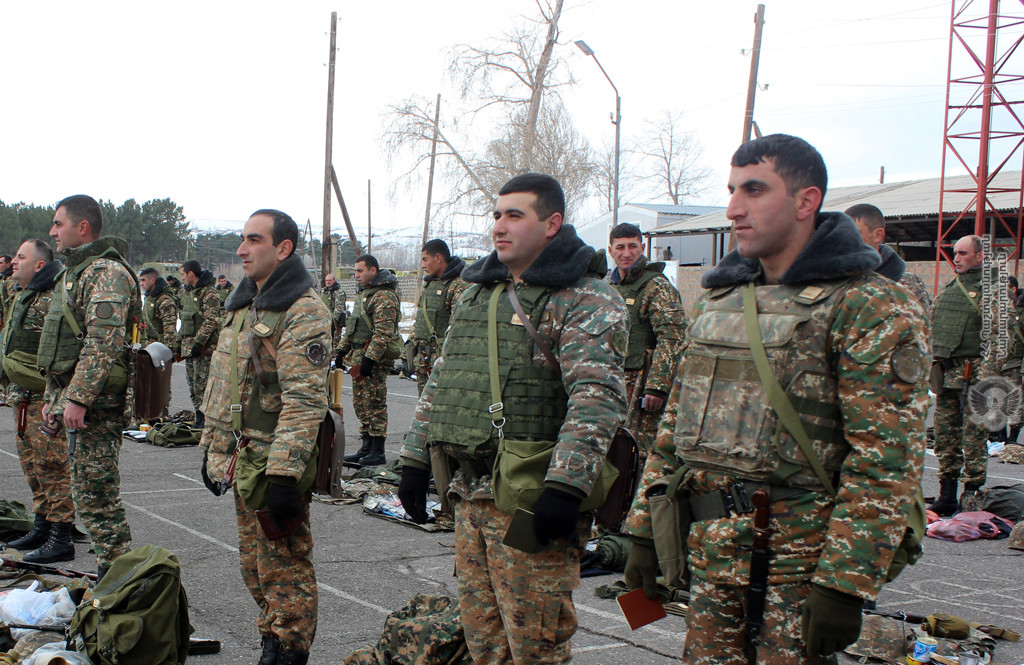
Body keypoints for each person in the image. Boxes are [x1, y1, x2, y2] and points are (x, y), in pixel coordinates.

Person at [622, 135, 929, 663]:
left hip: (801, 564)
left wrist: (843, 584)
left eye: (754, 190)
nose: (733, 208)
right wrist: (645, 530)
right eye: (732, 190)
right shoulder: (720, 301)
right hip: (713, 552)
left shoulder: (869, 303)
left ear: (806, 201)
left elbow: (885, 459)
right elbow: (677, 423)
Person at [397, 173, 628, 664]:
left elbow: (596, 397)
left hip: (530, 497)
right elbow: (443, 378)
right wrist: (414, 460)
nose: (499, 226)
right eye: (497, 215)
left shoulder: (584, 297)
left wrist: (565, 487)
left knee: (535, 647)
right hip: (471, 493)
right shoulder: (479, 293)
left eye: (515, 215)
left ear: (552, 224)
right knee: (484, 643)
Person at [199, 209, 330, 665]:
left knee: (284, 566)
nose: (241, 249)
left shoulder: (303, 309)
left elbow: (305, 399)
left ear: (283, 248)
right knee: (254, 566)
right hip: (241, 456)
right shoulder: (243, 305)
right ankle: (272, 638)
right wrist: (211, 448)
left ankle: (290, 650)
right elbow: (223, 384)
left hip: (273, 461)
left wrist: (283, 476)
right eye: (242, 239)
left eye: (254, 240)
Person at [38, 194, 139, 577]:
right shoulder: (77, 273)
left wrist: (77, 398)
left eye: (58, 223)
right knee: (88, 496)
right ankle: (110, 578)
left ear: (82, 227)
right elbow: (65, 346)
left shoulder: (106, 273)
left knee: (99, 499)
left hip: (98, 404)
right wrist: (55, 399)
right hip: (80, 401)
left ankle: (118, 581)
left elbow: (103, 341)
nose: (52, 231)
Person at [2, 239, 76, 563]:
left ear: (39, 265)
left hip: (43, 399)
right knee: (32, 465)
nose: (13, 262)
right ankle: (42, 525)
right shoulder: (23, 295)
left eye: (21, 257)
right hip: (22, 396)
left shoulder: (53, 300)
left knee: (52, 466)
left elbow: (66, 351)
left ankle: (62, 536)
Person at [929, 235, 995, 515]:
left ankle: (971, 498)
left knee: (974, 439)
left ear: (980, 256)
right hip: (946, 374)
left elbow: (1000, 340)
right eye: (955, 252)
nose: (956, 258)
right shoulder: (950, 288)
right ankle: (946, 496)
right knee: (945, 436)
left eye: (963, 253)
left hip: (974, 374)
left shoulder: (992, 290)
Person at [607, 222, 686, 455]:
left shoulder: (657, 287)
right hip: (610, 382)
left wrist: (657, 387)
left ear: (642, 248)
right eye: (620, 247)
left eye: (632, 246)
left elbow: (672, 337)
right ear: (611, 250)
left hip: (640, 386)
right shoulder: (606, 287)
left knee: (639, 450)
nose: (627, 253)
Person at [335, 255, 399, 467]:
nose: (356, 275)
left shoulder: (384, 296)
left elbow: (383, 332)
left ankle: (377, 451)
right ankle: (366, 447)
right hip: (358, 358)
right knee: (361, 404)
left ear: (373, 270)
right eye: (355, 271)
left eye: (360, 271)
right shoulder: (364, 294)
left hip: (372, 360)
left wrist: (370, 359)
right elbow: (352, 328)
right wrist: (341, 351)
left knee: (375, 404)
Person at [845, 203, 932, 315]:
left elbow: (921, 324)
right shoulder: (836, 282)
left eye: (855, 233)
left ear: (877, 235)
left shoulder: (907, 284)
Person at [412, 239, 467, 395]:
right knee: (423, 405)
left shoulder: (458, 285)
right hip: (424, 360)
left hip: (442, 361)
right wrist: (409, 351)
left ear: (438, 258)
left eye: (425, 259)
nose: (423, 265)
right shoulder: (428, 285)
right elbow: (420, 319)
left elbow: (457, 326)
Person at [179, 260, 221, 428]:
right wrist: (177, 344)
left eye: (183, 274)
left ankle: (207, 420)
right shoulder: (187, 293)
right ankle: (198, 417)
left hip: (204, 349)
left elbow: (211, 320)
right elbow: (184, 320)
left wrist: (199, 343)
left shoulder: (209, 293)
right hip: (189, 348)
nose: (182, 278)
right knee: (192, 386)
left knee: (203, 386)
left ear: (191, 274)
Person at [139, 268, 179, 350]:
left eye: (143, 280)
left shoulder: (164, 299)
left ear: (152, 280)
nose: (141, 283)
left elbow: (170, 327)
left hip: (159, 346)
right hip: (148, 344)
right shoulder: (149, 297)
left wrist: (168, 349)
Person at [320, 272, 348, 349]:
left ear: (334, 280)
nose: (328, 282)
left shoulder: (339, 292)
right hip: (325, 322)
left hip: (335, 323)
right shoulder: (325, 292)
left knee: (335, 343)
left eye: (330, 280)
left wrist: (333, 321)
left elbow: (339, 308)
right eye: (326, 280)